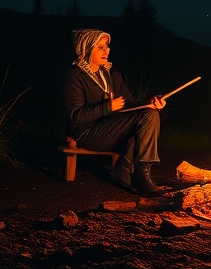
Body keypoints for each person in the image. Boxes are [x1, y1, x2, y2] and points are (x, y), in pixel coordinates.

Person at [63, 28, 168, 196]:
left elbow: (128, 103)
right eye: (100, 47)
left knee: (150, 114)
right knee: (146, 118)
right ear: (87, 48)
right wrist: (107, 107)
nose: (107, 50)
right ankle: (132, 173)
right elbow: (75, 117)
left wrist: (150, 102)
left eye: (107, 46)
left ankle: (137, 171)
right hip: (87, 133)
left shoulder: (112, 76)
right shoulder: (76, 76)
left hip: (112, 129)